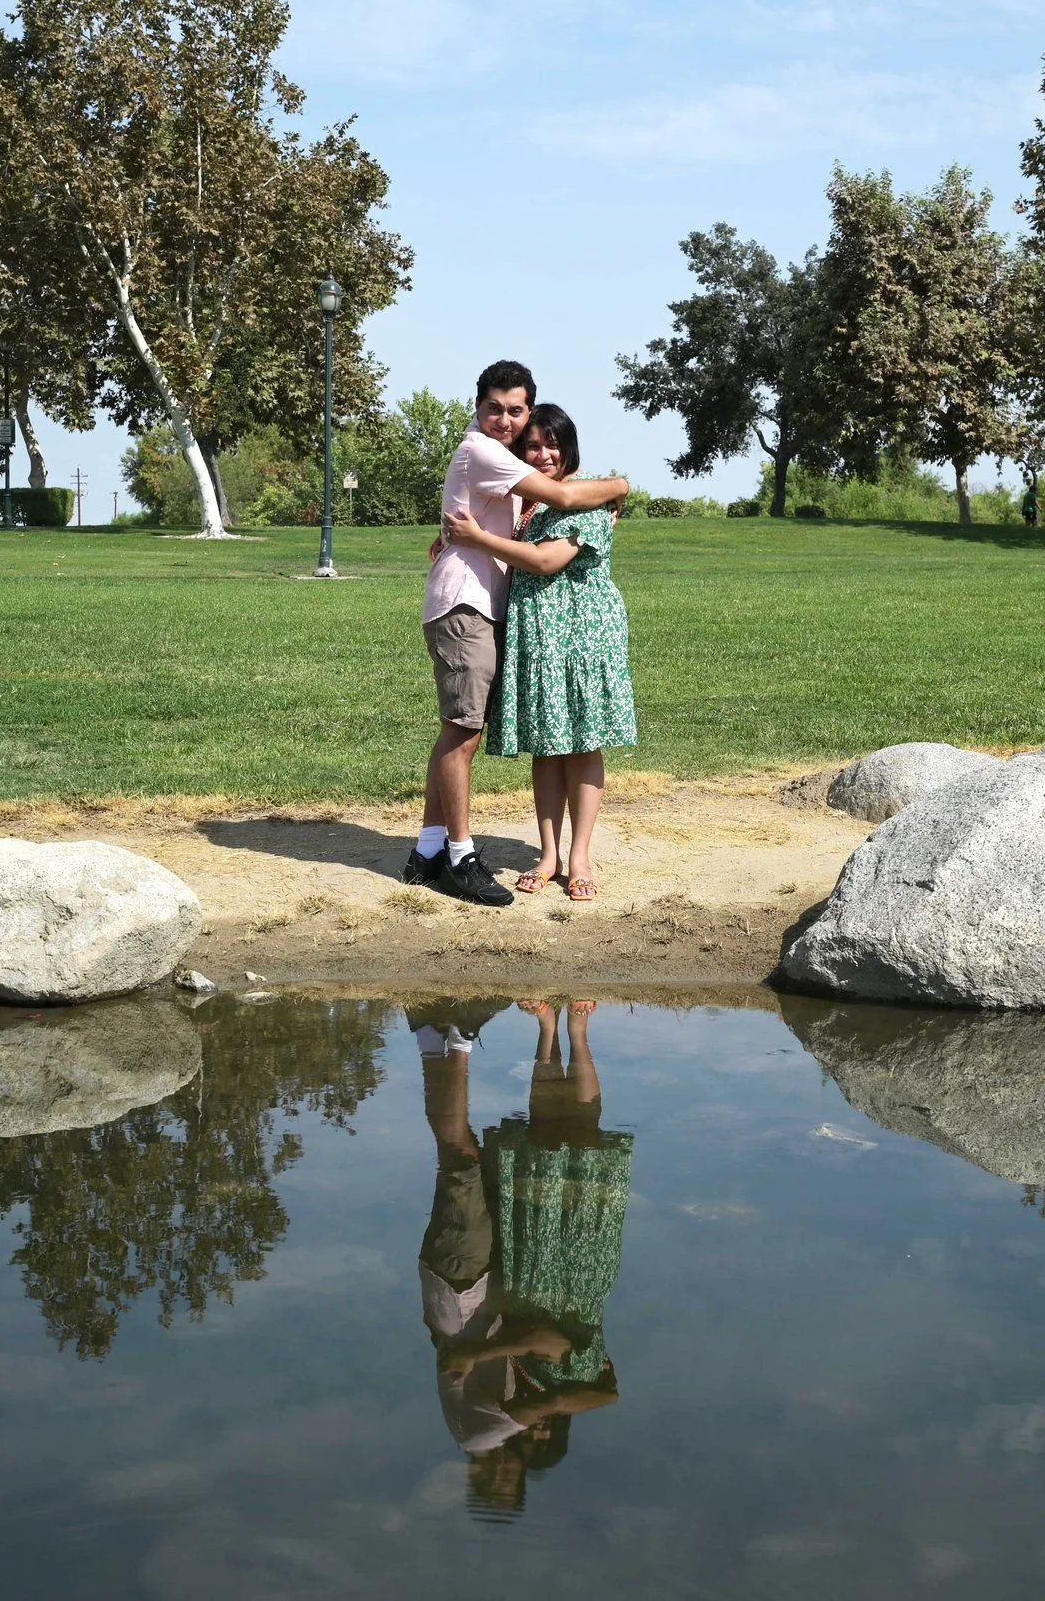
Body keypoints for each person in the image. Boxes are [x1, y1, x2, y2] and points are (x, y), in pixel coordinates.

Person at [407, 361, 629, 906]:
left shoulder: (512, 476)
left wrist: (470, 538)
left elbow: (553, 540)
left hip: (554, 631)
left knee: (472, 734)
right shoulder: (486, 453)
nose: (506, 422)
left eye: (516, 412)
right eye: (496, 409)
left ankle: (433, 850)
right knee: (464, 733)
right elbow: (562, 508)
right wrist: (623, 483)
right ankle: (458, 856)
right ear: (477, 406)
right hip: (469, 606)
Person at [413, 997, 629, 1522]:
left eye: (497, 1482)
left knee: (459, 1161)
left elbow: (546, 1349)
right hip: (487, 1282)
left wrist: (552, 1387)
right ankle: (431, 1034)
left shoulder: (483, 1435)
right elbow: (606, 1397)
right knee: (481, 1159)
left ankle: (450, 1041)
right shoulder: (499, 1424)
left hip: (462, 1289)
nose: (504, 1470)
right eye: (512, 1480)